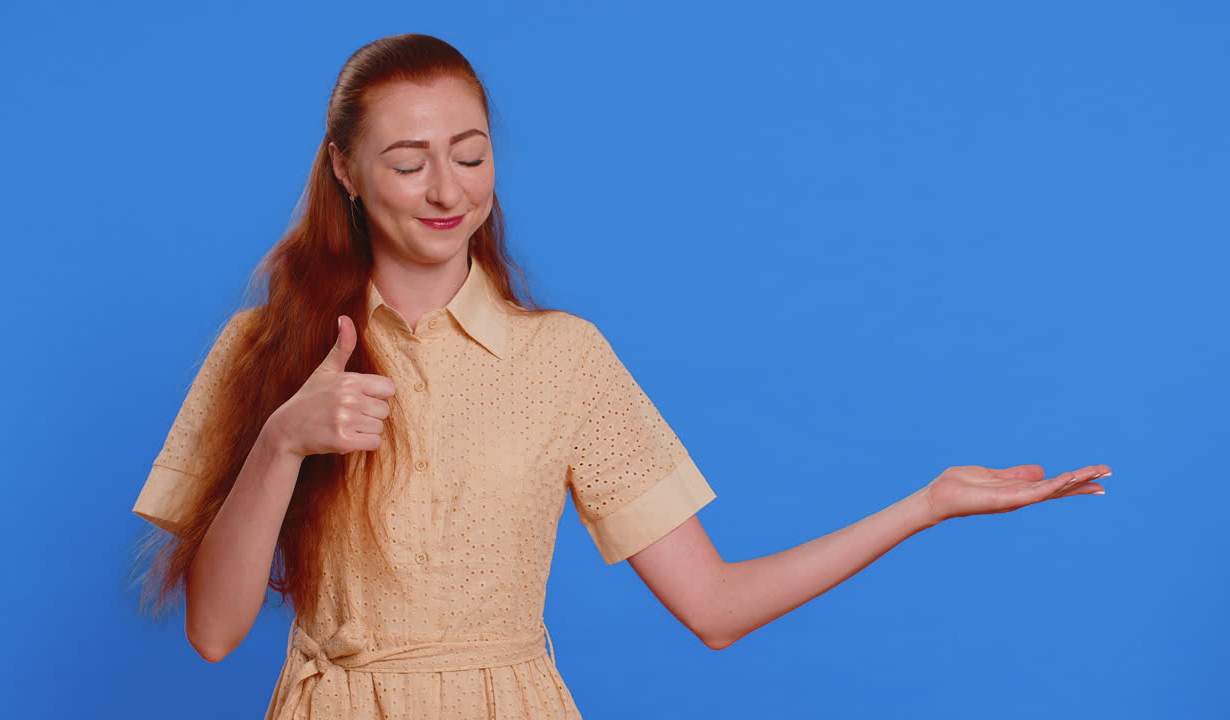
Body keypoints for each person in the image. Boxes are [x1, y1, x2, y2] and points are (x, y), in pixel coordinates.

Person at [129, 33, 1112, 720]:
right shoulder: (262, 353)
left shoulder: (563, 359)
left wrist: (925, 505)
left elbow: (714, 608)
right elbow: (214, 634)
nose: (446, 191)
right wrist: (281, 439)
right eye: (407, 161)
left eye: (468, 156)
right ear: (342, 169)